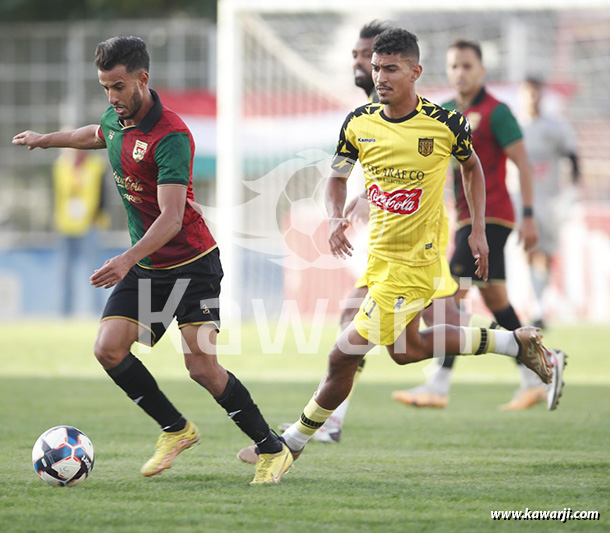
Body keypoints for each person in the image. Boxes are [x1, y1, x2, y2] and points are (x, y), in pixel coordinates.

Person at [242, 28, 557, 480]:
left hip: (414, 264)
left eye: (390, 68)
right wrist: (335, 217)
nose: (380, 76)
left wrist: (479, 231)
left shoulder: (445, 123)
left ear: (415, 72)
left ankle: (290, 444)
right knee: (406, 352)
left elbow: (474, 168)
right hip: (381, 258)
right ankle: (514, 341)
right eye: (376, 68)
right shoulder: (358, 123)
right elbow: (335, 178)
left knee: (341, 353)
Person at [13, 35, 291, 485]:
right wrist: (48, 140)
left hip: (192, 264)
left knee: (201, 367)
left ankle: (271, 448)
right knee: (107, 348)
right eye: (105, 87)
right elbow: (96, 133)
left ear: (142, 79)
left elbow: (173, 218)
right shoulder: (116, 116)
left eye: (119, 87)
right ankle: (176, 429)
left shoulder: (172, 135)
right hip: (148, 267)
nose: (112, 97)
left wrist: (125, 259)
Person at [392, 39, 564, 411]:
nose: (460, 73)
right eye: (454, 66)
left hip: (491, 218)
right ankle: (541, 367)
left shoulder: (496, 112)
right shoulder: (445, 112)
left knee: (448, 296)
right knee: (494, 300)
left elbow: (522, 164)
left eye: (467, 66)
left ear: (481, 71)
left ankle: (438, 384)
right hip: (465, 219)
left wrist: (530, 216)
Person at [520, 76, 580, 330]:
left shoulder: (555, 127)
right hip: (521, 199)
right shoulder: (515, 127)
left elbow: (573, 157)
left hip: (548, 200)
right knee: (530, 251)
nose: (533, 97)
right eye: (529, 92)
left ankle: (539, 304)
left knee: (544, 252)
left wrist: (572, 193)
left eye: (537, 92)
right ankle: (537, 304)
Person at [53, 147, 107, 316]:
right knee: (65, 272)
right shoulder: (61, 165)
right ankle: (65, 313)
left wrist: (99, 218)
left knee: (95, 272)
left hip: (89, 224)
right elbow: (56, 194)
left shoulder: (96, 165)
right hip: (65, 225)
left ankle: (97, 312)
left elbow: (103, 194)